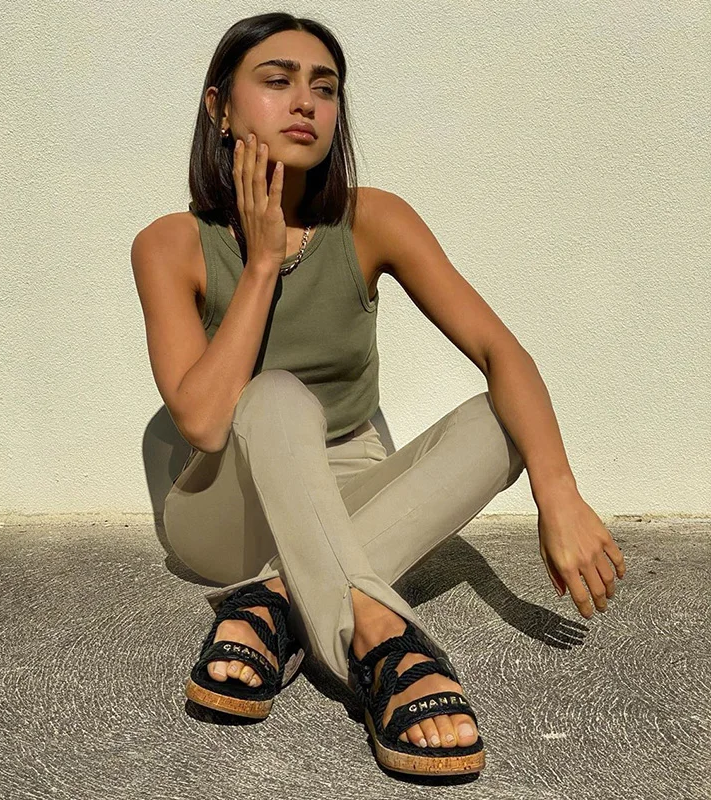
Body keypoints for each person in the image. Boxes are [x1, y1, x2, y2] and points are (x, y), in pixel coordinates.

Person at [130, 12, 627, 778]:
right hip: (226, 510)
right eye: (277, 80)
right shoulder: (169, 243)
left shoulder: (375, 220)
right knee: (277, 395)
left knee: (505, 422)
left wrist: (556, 491)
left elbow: (501, 351)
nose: (306, 102)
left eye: (324, 87)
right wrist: (261, 266)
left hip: (351, 499)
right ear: (220, 109)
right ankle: (377, 634)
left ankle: (274, 602)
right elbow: (199, 420)